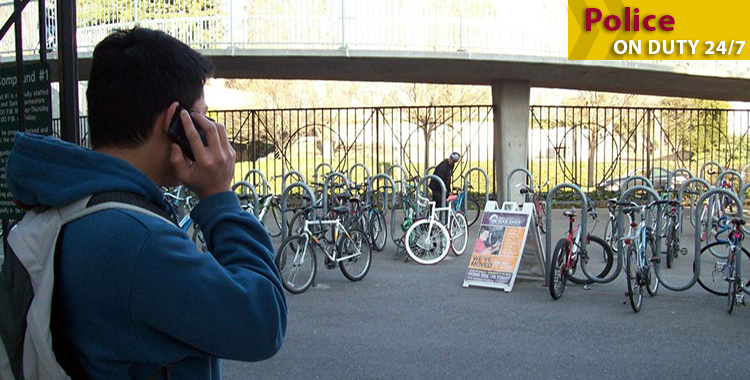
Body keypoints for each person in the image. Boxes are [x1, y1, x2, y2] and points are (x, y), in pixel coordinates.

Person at [6, 28, 287, 379]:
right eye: (201, 118)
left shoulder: (72, 205)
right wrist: (219, 198)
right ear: (174, 124)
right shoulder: (137, 240)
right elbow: (263, 323)